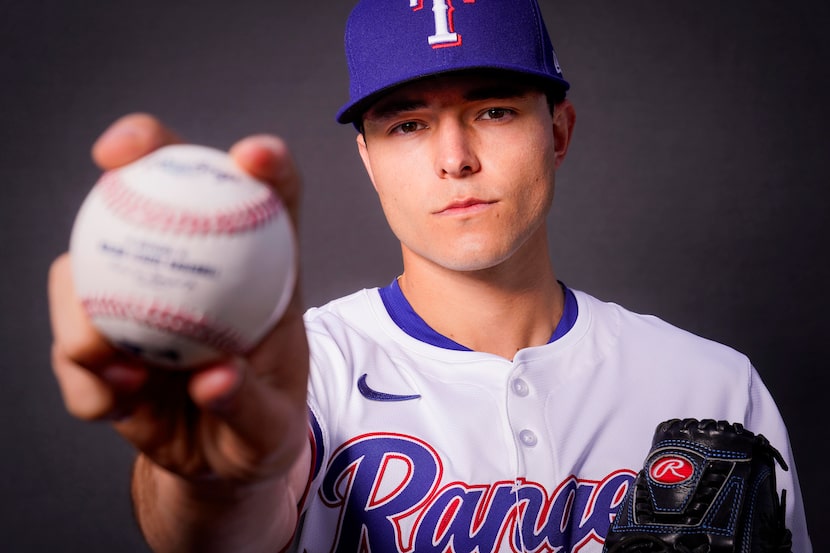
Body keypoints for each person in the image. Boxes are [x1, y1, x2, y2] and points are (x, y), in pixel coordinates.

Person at [48, 0, 811, 551]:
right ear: (369, 158)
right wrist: (212, 483)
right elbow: (224, 526)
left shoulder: (712, 385)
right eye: (408, 123)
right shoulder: (302, 372)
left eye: (494, 110)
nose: (455, 158)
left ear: (560, 131)